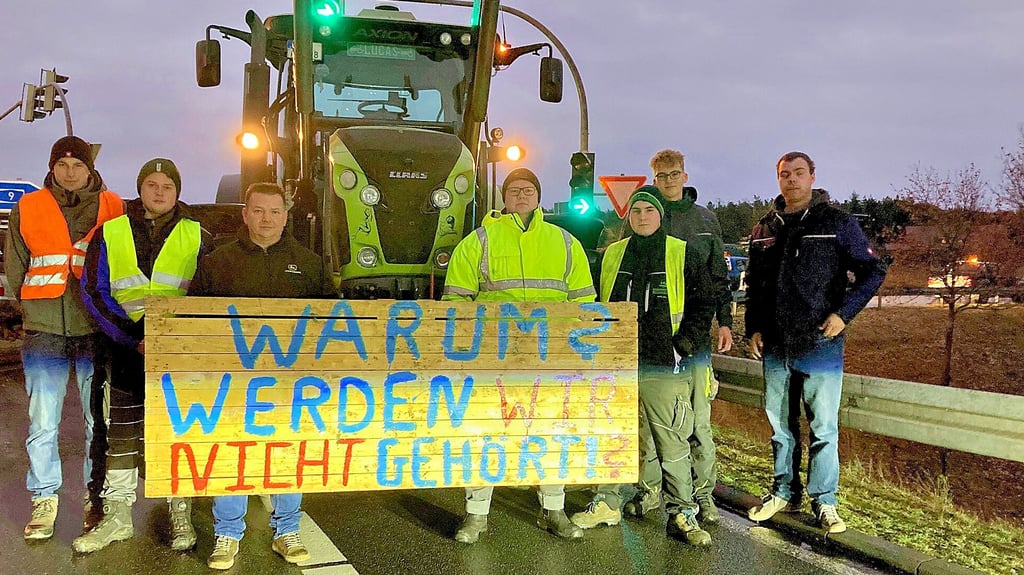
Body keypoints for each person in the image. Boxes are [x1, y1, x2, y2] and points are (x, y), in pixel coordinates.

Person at [442, 167, 595, 544]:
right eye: (514, 190)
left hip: (552, 360)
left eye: (528, 190)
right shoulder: (479, 241)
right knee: (487, 434)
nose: (521, 196)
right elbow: (456, 302)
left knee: (550, 434)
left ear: (538, 196)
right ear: (504, 198)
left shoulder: (565, 242)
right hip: (494, 359)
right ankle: (476, 515)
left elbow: (585, 304)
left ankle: (554, 509)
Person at [189, 182, 331, 570]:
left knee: (288, 451)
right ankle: (227, 533)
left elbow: (332, 326)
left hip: (290, 384)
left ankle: (287, 529)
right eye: (258, 211)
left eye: (274, 212)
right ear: (245, 213)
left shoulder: (310, 264)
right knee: (231, 452)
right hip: (231, 385)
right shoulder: (217, 262)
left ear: (286, 217)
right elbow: (194, 322)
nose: (266, 219)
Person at [73, 158, 212, 553]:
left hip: (177, 352)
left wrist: (176, 337)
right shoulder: (110, 232)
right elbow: (94, 291)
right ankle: (117, 514)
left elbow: (209, 292)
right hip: (125, 347)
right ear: (141, 188)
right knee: (122, 431)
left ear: (177, 192)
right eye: (151, 184)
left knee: (175, 428)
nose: (159, 192)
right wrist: (133, 336)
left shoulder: (198, 234)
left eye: (167, 186)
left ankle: (178, 505)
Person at [744, 151, 886, 534]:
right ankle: (783, 493)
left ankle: (825, 501)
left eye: (798, 173)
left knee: (823, 428)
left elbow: (874, 271)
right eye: (784, 174)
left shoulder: (836, 223)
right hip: (774, 343)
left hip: (820, 341)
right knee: (780, 426)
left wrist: (844, 314)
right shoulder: (764, 228)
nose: (791, 180)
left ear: (812, 177)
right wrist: (752, 327)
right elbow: (755, 286)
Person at [571, 187, 712, 545]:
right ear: (628, 217)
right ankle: (606, 502)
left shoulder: (683, 253)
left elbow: (702, 303)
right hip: (618, 363)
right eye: (636, 211)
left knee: (671, 440)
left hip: (663, 364)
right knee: (614, 436)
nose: (642, 217)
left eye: (649, 210)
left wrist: (684, 344)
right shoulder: (613, 255)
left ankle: (681, 512)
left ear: (661, 214)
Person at [7, 136, 124, 540]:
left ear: (90, 169)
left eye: (78, 165)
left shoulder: (114, 206)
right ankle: (44, 499)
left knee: (100, 422)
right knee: (43, 423)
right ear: (52, 168)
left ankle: (98, 498)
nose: (70, 173)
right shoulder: (28, 207)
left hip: (95, 329)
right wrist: (31, 312)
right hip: (46, 330)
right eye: (62, 166)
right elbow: (16, 268)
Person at [618, 149, 734, 525]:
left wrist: (725, 322)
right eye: (661, 175)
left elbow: (716, 279)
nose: (668, 180)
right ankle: (650, 491)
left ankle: (703, 496)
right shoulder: (641, 217)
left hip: (692, 345)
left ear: (684, 176)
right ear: (653, 179)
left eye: (674, 174)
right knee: (651, 428)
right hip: (651, 350)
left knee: (697, 423)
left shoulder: (703, 221)